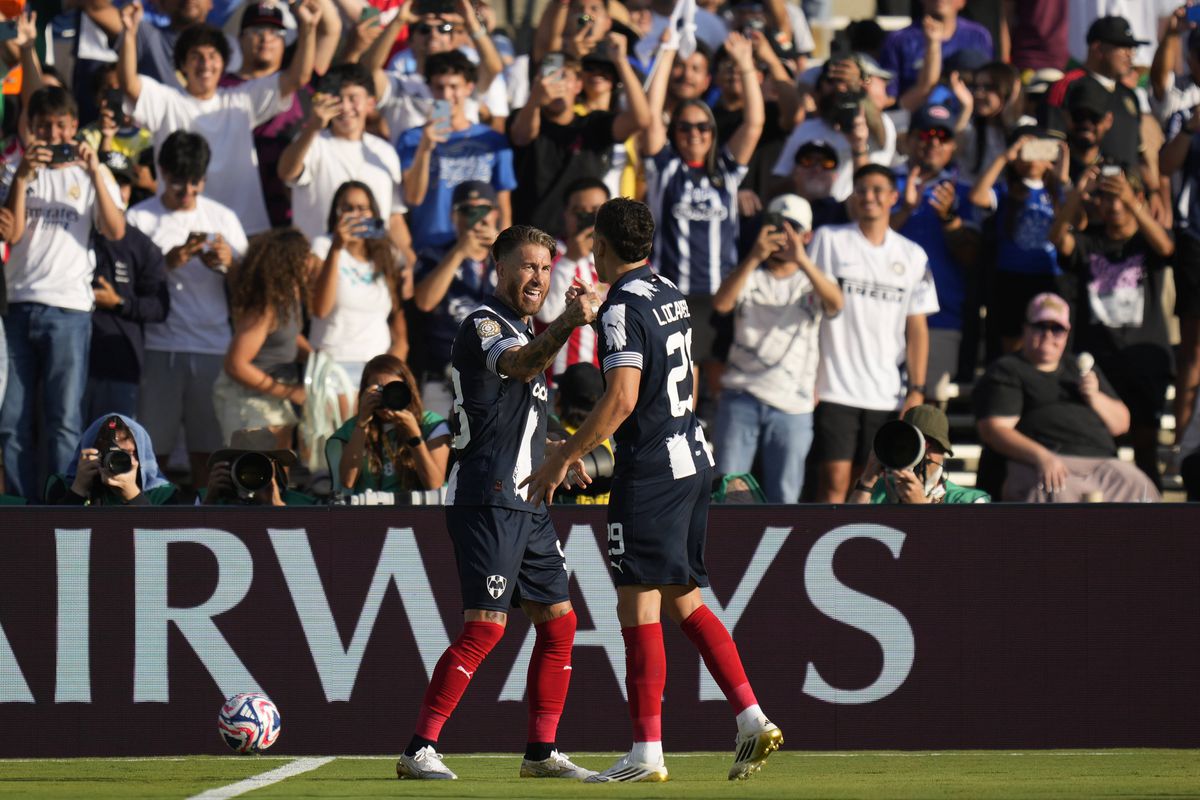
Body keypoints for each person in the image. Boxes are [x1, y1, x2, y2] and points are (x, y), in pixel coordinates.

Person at [523, 198, 782, 783]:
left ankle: (647, 753)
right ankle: (750, 717)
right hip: (694, 459)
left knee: (637, 602)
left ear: (602, 246)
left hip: (652, 471)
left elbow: (621, 397)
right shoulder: (667, 291)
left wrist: (564, 455)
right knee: (684, 599)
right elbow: (672, 371)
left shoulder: (619, 306)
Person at [394, 224, 599, 781]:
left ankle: (540, 753)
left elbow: (516, 413)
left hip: (526, 499)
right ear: (500, 268)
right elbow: (520, 365)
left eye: (544, 268)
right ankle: (419, 748)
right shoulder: (486, 324)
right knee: (486, 627)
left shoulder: (526, 330)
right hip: (486, 495)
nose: (537, 277)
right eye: (526, 266)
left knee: (559, 624)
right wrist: (568, 323)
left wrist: (557, 448)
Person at [0, 85, 126, 500]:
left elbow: (115, 229)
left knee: (64, 419)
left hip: (70, 308)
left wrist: (93, 171)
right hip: (18, 304)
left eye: (60, 126)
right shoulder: (13, 167)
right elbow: (12, 233)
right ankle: (20, 507)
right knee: (11, 419)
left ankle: (62, 504)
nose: (53, 136)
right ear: (30, 128)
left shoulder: (93, 171)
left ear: (74, 126)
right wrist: (21, 178)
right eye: (43, 127)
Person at [118, 0, 322, 236]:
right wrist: (129, 33)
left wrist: (308, 29)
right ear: (183, 64)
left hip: (246, 228)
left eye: (213, 56)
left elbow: (298, 78)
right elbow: (129, 83)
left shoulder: (242, 99)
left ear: (224, 63)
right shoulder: (166, 101)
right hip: (177, 228)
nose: (205, 64)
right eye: (196, 56)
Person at [811, 165, 939, 503]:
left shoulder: (912, 255)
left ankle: (860, 553)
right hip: (833, 386)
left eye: (878, 190)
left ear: (894, 197)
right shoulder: (829, 240)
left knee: (874, 485)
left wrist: (917, 388)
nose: (870, 196)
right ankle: (824, 555)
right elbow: (808, 312)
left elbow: (917, 326)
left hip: (886, 393)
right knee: (834, 484)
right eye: (862, 189)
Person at [128, 131, 248, 488]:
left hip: (213, 346)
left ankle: (205, 520)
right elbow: (128, 289)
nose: (187, 193)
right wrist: (165, 264)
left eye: (196, 184)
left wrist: (230, 265)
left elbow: (250, 291)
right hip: (157, 348)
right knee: (151, 454)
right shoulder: (139, 218)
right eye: (179, 183)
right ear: (162, 172)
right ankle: (147, 527)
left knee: (209, 456)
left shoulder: (223, 218)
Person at [712, 194, 843, 504]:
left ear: (807, 235)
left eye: (792, 229)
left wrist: (803, 259)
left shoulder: (813, 280)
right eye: (775, 227)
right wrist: (755, 257)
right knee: (727, 493)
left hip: (793, 405)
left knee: (785, 498)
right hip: (741, 397)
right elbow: (721, 304)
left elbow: (836, 304)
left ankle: (779, 555)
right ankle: (723, 554)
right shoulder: (748, 273)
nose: (783, 237)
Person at [1050, 166, 1174, 488]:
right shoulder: (1089, 242)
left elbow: (1166, 248)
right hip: (1100, 365)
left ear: (1137, 198)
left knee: (1146, 449)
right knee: (1105, 450)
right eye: (1106, 197)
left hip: (1145, 362)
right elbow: (1057, 239)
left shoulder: (1146, 242)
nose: (1113, 204)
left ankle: (1156, 525)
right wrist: (1077, 193)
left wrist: (1133, 203)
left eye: (1119, 195)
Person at [974, 292, 1161, 503]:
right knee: (1057, 494)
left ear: (1067, 333)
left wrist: (1094, 396)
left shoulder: (1080, 368)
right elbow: (994, 430)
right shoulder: (1009, 369)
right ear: (1025, 328)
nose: (1048, 334)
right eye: (1040, 326)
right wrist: (1042, 457)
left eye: (1057, 329)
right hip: (1046, 462)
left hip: (1102, 462)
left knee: (1140, 487)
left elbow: (1121, 424)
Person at [508, 42, 650, 237]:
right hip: (533, 241)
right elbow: (522, 136)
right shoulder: (523, 116)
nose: (555, 84)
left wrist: (620, 61)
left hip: (584, 241)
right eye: (549, 76)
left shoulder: (593, 124)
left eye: (563, 76)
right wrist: (535, 98)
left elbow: (641, 119)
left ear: (578, 85)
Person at [277, 62, 415, 264]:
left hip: (371, 268)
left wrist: (408, 259)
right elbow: (287, 172)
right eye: (337, 99)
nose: (345, 107)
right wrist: (313, 127)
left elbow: (394, 217)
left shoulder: (385, 152)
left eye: (353, 98)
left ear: (370, 103)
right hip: (319, 264)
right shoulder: (312, 142)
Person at [890, 102, 981, 399]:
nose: (934, 143)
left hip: (940, 320)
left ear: (953, 145)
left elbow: (970, 259)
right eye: (926, 134)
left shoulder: (965, 192)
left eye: (943, 137)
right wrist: (904, 209)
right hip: (881, 314)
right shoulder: (883, 184)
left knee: (925, 419)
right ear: (909, 139)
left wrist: (949, 219)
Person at [398, 50, 517, 251]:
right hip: (430, 248)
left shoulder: (492, 140)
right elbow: (412, 197)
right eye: (439, 87)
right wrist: (425, 148)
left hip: (481, 248)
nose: (446, 95)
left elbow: (504, 206)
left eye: (454, 87)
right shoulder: (412, 139)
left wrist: (503, 250)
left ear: (469, 88)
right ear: (430, 89)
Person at [85, 151, 170, 422]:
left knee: (114, 451)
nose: (115, 192)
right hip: (71, 363)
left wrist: (119, 302)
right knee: (65, 447)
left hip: (119, 365)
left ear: (131, 190)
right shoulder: (76, 230)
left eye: (121, 184)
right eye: (108, 182)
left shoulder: (142, 246)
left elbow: (159, 307)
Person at [969, 127, 1068, 354]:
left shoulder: (1056, 192)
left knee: (1046, 341)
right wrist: (1005, 157)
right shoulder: (1005, 189)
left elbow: (1079, 221)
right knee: (1011, 342)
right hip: (1010, 278)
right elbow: (977, 196)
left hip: (1048, 275)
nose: (1032, 158)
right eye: (1026, 150)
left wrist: (1064, 179)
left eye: (1038, 149)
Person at [213, 228, 308, 449]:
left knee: (280, 470)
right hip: (249, 400)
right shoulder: (264, 308)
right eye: (303, 258)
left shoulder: (288, 297)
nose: (309, 264)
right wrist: (289, 392)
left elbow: (288, 336)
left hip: (275, 395)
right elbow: (235, 365)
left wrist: (316, 358)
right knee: (258, 474)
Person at [411, 180, 500, 415]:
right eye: (467, 210)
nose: (476, 217)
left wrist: (503, 252)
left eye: (483, 209)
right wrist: (459, 252)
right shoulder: (434, 254)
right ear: (453, 216)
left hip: (493, 376)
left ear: (495, 214)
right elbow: (424, 301)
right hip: (441, 375)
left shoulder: (506, 255)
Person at [310, 181, 410, 387]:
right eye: (348, 208)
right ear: (336, 213)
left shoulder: (386, 253)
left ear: (373, 213)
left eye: (362, 208)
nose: (356, 215)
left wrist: (396, 357)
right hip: (335, 365)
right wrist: (337, 248)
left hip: (378, 368)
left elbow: (397, 315)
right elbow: (320, 309)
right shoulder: (323, 246)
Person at [772, 55, 896, 203]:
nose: (839, 88)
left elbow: (881, 140)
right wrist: (804, 173)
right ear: (819, 88)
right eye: (831, 81)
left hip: (853, 215)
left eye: (845, 82)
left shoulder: (879, 124)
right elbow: (776, 183)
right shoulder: (806, 129)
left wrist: (857, 90)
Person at [331, 354, 451, 494]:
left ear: (409, 389)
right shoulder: (354, 427)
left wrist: (414, 437)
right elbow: (347, 481)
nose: (387, 396)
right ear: (365, 392)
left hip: (418, 512)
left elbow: (434, 485)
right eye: (379, 390)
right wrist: (361, 424)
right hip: (371, 511)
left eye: (394, 389)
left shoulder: (431, 424)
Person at [534, 177, 609, 385]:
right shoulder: (546, 254)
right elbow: (546, 313)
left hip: (605, 382)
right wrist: (569, 261)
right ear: (565, 214)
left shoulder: (619, 256)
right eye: (579, 212)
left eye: (595, 211)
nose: (588, 218)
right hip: (557, 384)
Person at [849, 405, 990, 504]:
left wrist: (921, 509)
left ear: (942, 451)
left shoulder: (968, 501)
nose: (919, 455)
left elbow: (964, 546)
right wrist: (867, 481)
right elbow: (846, 535)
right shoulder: (877, 492)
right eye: (907, 445)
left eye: (927, 445)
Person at [879, 0, 994, 110]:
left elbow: (991, 86)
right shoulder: (898, 40)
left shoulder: (978, 36)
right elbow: (889, 98)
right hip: (914, 120)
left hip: (970, 121)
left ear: (962, 1)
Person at [45, 413, 180, 505]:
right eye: (107, 453)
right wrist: (79, 488)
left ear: (142, 457)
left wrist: (133, 494)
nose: (115, 460)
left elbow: (161, 540)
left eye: (126, 454)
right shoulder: (61, 486)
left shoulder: (163, 495)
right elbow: (51, 538)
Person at [203, 427, 317, 505]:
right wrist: (209, 502)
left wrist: (278, 507)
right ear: (230, 466)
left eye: (261, 463)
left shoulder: (303, 504)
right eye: (245, 463)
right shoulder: (209, 497)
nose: (253, 472)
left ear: (275, 468)